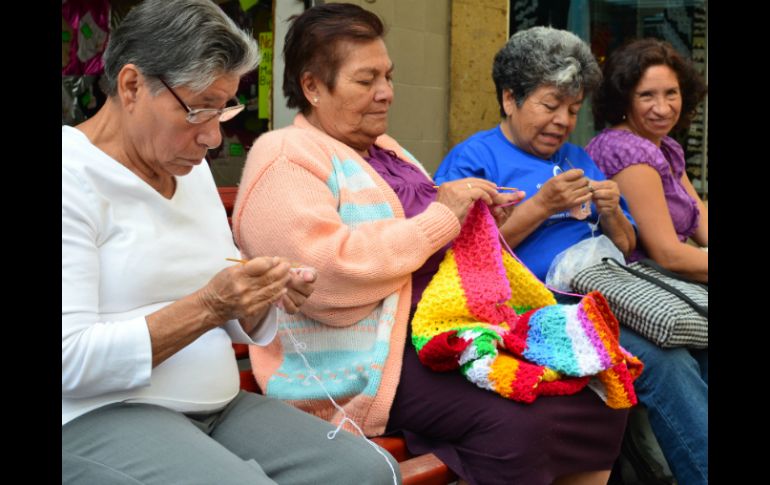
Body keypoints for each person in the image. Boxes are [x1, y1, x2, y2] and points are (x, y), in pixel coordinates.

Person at [234, 6, 628, 485]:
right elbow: (325, 279)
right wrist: (445, 217)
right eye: (366, 80)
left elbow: (431, 239)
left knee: (599, 388)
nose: (386, 93)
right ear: (313, 86)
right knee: (518, 418)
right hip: (373, 355)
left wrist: (477, 223)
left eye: (388, 76)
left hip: (444, 331)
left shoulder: (388, 150)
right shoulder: (284, 157)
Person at [61, 1, 400, 484]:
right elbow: (68, 360)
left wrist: (260, 294)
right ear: (132, 85)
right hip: (99, 414)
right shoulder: (71, 176)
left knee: (368, 472)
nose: (213, 138)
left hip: (217, 406)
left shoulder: (189, 170)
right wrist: (209, 306)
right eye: (198, 110)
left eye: (224, 110)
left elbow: (222, 302)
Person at [433, 26, 637, 484]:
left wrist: (611, 213)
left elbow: (625, 245)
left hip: (604, 297)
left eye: (573, 109)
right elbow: (462, 262)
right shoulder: (473, 160)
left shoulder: (580, 157)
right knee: (650, 359)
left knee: (682, 348)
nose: (563, 120)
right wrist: (542, 205)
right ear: (510, 98)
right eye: (550, 105)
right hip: (527, 314)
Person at [586, 38, 708, 485]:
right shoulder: (626, 150)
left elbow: (703, 228)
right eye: (647, 96)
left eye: (671, 93)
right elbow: (667, 253)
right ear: (623, 99)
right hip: (641, 295)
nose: (662, 107)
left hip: (677, 289)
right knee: (671, 365)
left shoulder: (665, 149)